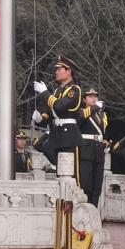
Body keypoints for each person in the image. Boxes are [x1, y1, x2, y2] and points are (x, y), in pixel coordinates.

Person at [33, 55, 83, 185]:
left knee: (72, 175)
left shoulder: (74, 90)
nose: (56, 72)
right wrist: (40, 118)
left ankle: (74, 204)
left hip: (69, 136)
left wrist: (44, 93)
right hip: (57, 135)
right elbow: (50, 114)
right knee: (60, 175)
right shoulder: (56, 91)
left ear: (68, 71)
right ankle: (62, 204)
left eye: (59, 69)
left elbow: (59, 107)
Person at [78, 88, 110, 206]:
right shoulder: (81, 111)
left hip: (98, 151)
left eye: (95, 96)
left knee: (97, 186)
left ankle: (94, 213)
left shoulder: (102, 115)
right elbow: (80, 119)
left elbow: (104, 133)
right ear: (84, 99)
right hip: (86, 151)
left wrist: (106, 143)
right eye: (90, 96)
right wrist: (95, 107)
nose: (94, 98)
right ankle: (85, 212)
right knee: (86, 185)